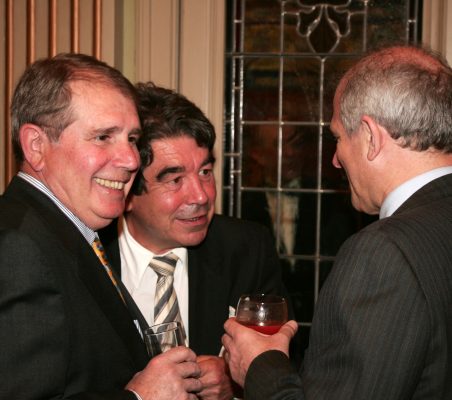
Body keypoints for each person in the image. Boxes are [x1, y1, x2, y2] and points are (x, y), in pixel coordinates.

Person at [221, 45, 452, 399]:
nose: (335, 159)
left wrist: (259, 365)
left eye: (338, 137)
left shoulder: (384, 251)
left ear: (371, 137)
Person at [0, 53, 202, 399]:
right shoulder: (17, 247)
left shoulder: (69, 229)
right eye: (104, 137)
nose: (131, 160)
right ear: (36, 146)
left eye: (132, 139)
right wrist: (139, 397)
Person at [99, 82, 288, 400]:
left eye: (205, 172)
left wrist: (239, 380)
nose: (201, 196)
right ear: (128, 192)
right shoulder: (86, 259)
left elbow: (287, 364)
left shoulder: (246, 249)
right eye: (175, 180)